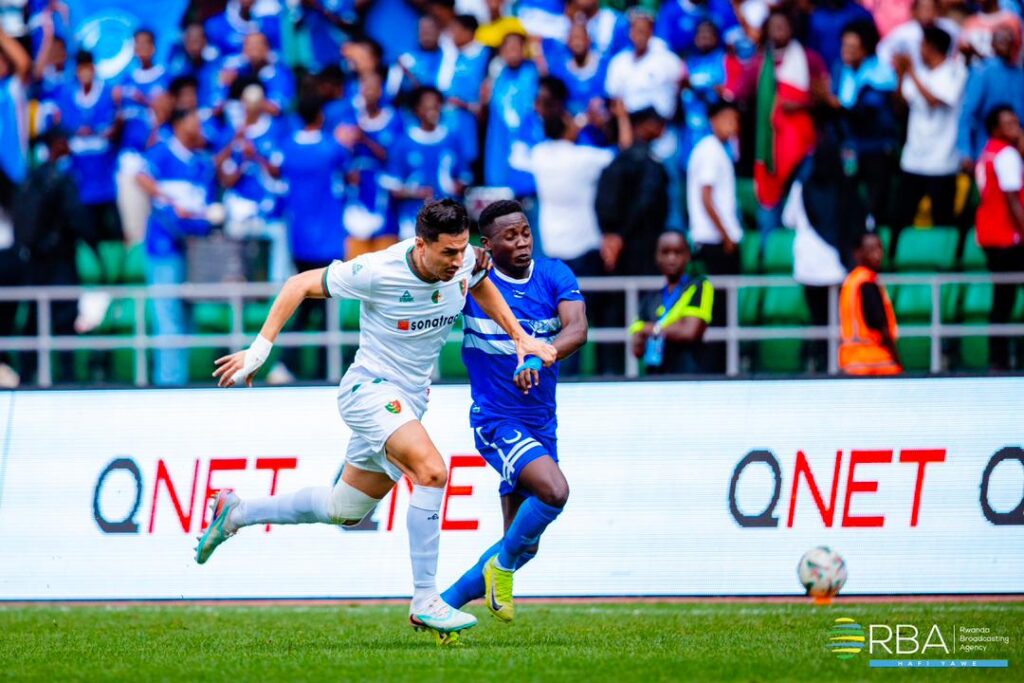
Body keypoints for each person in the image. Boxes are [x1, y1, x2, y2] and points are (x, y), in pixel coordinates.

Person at [198, 199, 558, 643]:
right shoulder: (378, 270)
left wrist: (520, 337)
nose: (456, 261)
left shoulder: (464, 261)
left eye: (462, 249)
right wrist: (260, 350)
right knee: (432, 471)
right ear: (421, 244)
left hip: (409, 401)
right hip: (369, 391)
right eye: (447, 252)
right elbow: (298, 284)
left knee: (344, 509)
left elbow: (480, 284)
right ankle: (425, 599)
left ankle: (237, 512)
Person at [440, 199, 587, 623]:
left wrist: (537, 356)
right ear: (488, 245)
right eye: (510, 237)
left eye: (525, 232)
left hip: (542, 422)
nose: (522, 243)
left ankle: (441, 606)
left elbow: (577, 329)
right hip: (497, 420)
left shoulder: (554, 274)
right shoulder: (474, 285)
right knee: (555, 492)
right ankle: (500, 569)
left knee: (523, 543)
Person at [135, 109, 219, 386]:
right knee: (167, 318)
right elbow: (140, 176)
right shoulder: (162, 153)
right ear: (180, 124)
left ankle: (179, 380)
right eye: (194, 121)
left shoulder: (202, 162)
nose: (199, 127)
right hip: (164, 249)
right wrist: (167, 199)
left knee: (187, 319)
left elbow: (206, 206)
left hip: (194, 250)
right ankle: (169, 385)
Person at [274, 96, 351, 381]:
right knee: (323, 305)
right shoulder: (332, 148)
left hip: (300, 239)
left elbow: (275, 170)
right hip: (329, 240)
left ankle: (292, 364)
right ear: (320, 117)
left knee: (305, 301)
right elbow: (350, 171)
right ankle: (319, 368)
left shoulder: (287, 148)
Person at [12, 126, 82, 383]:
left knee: (34, 317)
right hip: (59, 261)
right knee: (63, 317)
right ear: (57, 144)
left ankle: (26, 375)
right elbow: (77, 220)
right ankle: (67, 375)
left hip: (34, 260)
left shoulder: (30, 178)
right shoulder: (61, 179)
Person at [892, 26, 966, 254]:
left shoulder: (955, 71)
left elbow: (935, 101)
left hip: (942, 162)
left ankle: (945, 266)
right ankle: (896, 262)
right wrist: (901, 75)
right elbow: (900, 105)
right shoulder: (919, 72)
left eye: (922, 45)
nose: (919, 50)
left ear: (932, 47)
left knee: (943, 220)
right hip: (913, 159)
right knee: (901, 217)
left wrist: (911, 72)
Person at [822, 19, 898, 228]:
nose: (846, 51)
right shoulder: (840, 70)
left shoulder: (881, 73)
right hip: (849, 147)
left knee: (876, 202)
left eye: (853, 47)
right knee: (847, 198)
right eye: (844, 46)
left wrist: (837, 106)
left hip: (876, 148)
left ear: (865, 49)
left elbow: (868, 110)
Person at [687, 100, 742, 372]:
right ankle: (716, 368)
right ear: (713, 120)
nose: (733, 125)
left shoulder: (717, 149)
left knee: (722, 310)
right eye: (727, 119)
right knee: (716, 312)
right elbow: (706, 197)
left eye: (735, 120)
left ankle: (721, 365)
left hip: (717, 241)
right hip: (715, 243)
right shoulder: (710, 151)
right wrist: (726, 235)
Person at [382, 85, 469, 240]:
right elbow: (394, 187)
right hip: (412, 222)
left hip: (448, 222)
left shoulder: (452, 139)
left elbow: (463, 177)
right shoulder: (403, 143)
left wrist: (454, 187)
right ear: (416, 109)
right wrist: (416, 192)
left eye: (435, 105)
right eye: (426, 106)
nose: (432, 110)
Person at [974, 106, 1024, 370]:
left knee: (1003, 298)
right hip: (1008, 237)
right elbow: (1013, 199)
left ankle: (999, 359)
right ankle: (1000, 360)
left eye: (1017, 122)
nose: (1016, 127)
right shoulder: (1007, 155)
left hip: (989, 236)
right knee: (1004, 300)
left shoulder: (988, 152)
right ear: (995, 128)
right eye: (1009, 124)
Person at [57, 51, 122, 248]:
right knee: (87, 227)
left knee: (111, 228)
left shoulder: (108, 93)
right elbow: (63, 127)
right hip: (80, 171)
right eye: (81, 68)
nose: (85, 73)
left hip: (103, 169)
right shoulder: (68, 95)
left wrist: (95, 131)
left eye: (88, 67)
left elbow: (112, 127)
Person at [629, 232, 713, 374]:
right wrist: (674, 326)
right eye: (665, 252)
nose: (671, 258)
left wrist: (652, 329)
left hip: (688, 375)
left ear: (688, 255)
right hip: (655, 376)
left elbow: (689, 331)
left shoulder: (700, 286)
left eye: (677, 252)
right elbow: (637, 349)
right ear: (657, 257)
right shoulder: (649, 298)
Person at [958, 26, 1024, 170]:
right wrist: (965, 151)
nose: (1005, 44)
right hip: (987, 147)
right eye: (1001, 40)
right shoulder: (982, 71)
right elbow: (968, 113)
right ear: (992, 44)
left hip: (1016, 149)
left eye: (1009, 40)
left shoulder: (1019, 74)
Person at [838, 232, 902, 376]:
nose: (877, 254)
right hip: (876, 364)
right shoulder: (867, 282)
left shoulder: (851, 282)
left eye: (880, 248)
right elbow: (880, 324)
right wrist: (897, 359)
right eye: (871, 249)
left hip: (852, 363)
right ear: (858, 253)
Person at [878, 0, 959, 71]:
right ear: (915, 10)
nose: (928, 11)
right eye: (924, 8)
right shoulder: (905, 32)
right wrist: (894, 65)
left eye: (931, 7)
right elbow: (883, 49)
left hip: (943, 75)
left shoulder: (949, 28)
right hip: (913, 78)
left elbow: (954, 50)